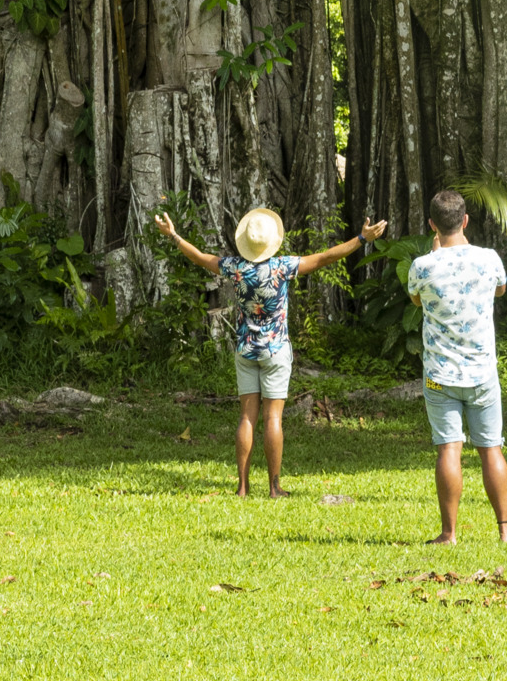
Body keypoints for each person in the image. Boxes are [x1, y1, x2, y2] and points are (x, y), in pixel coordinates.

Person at [153, 201, 387, 498]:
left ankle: (242, 487)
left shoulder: (235, 268)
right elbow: (327, 257)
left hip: (245, 350)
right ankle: (275, 487)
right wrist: (362, 239)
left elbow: (200, 258)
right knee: (273, 419)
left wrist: (174, 235)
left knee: (246, 418)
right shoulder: (282, 267)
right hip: (276, 351)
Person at [408, 185, 507, 544]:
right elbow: (500, 289)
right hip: (482, 372)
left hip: (440, 374)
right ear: (466, 220)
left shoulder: (422, 266)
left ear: (432, 225)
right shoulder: (489, 259)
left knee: (449, 448)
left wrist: (435, 256)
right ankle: (506, 531)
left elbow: (415, 299)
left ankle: (449, 533)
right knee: (491, 448)